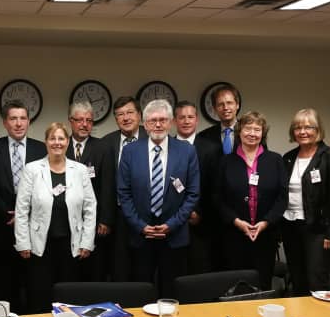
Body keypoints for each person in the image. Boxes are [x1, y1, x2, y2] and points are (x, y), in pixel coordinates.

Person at [118, 99, 200, 297]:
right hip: (140, 236)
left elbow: (192, 193)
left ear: (170, 122)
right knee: (141, 292)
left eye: (162, 120)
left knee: (172, 294)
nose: (158, 125)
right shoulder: (130, 151)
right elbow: (123, 193)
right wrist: (140, 226)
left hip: (174, 236)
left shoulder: (186, 150)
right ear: (144, 124)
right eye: (152, 120)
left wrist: (172, 224)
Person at [15, 123, 97, 312]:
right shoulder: (32, 169)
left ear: (67, 142)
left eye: (61, 138)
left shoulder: (80, 170)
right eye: (52, 138)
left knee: (67, 296)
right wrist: (23, 242)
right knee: (40, 295)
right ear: (46, 142)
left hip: (72, 244)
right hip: (39, 245)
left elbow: (90, 207)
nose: (57, 143)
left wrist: (87, 242)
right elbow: (21, 208)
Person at [0, 100, 46, 312]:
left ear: (28, 121)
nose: (18, 123)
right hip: (1, 226)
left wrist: (24, 213)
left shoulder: (41, 148)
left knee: (33, 283)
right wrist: (8, 212)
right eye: (13, 118)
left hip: (33, 226)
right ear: (5, 122)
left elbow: (46, 186)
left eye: (22, 118)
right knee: (4, 283)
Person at [215, 111, 288, 290]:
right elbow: (217, 197)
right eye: (248, 129)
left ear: (263, 133)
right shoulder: (225, 162)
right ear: (239, 131)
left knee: (262, 283)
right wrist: (237, 221)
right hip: (233, 234)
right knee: (235, 285)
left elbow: (282, 197)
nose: (252, 133)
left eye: (257, 129)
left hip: (266, 235)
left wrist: (266, 222)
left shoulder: (275, 160)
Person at [282, 108, 330, 295]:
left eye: (308, 127)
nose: (302, 132)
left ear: (318, 130)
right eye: (298, 128)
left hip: (319, 230)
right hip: (291, 226)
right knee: (297, 279)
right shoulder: (288, 158)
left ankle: (319, 314)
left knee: (316, 281)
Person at [66, 101, 115, 281]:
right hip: (67, 219)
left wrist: (105, 219)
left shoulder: (103, 147)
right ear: (71, 121)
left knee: (94, 270)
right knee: (70, 270)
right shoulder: (60, 145)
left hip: (94, 220)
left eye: (89, 120)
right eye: (79, 120)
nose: (84, 124)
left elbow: (108, 185)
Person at [100, 96, 147, 281]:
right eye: (120, 114)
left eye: (130, 112)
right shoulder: (106, 143)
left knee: (144, 265)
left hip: (146, 214)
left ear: (139, 115)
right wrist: (105, 218)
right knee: (119, 265)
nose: (126, 118)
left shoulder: (152, 138)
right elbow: (103, 184)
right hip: (117, 215)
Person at [174, 100, 222, 273]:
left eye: (190, 117)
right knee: (174, 271)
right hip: (172, 222)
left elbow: (214, 187)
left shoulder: (212, 149)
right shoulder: (165, 146)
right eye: (181, 117)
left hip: (201, 223)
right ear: (174, 121)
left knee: (200, 272)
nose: (186, 121)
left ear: (196, 120)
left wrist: (198, 212)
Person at [198, 84, 240, 155]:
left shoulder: (251, 132)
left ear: (237, 105)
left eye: (229, 103)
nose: (225, 108)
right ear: (215, 108)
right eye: (220, 104)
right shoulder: (203, 137)